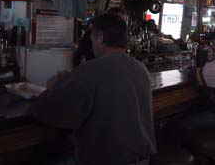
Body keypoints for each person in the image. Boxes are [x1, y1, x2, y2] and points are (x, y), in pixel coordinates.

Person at [31, 14, 157, 165]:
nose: (91, 43)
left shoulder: (90, 70)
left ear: (100, 37)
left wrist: (54, 87)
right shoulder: (140, 68)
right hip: (143, 160)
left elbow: (52, 112)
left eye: (92, 38)